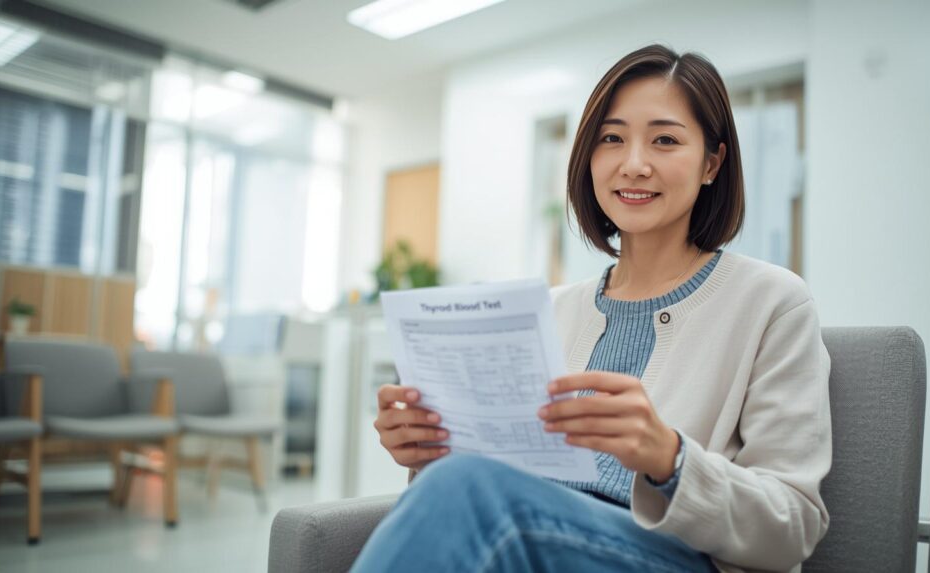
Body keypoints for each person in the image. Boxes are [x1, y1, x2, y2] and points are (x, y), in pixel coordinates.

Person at [354, 44, 832, 573]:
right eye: (611, 139)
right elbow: (494, 489)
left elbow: (793, 525)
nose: (634, 164)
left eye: (665, 140)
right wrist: (429, 450)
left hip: (670, 558)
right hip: (537, 544)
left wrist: (669, 458)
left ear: (711, 163)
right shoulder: (550, 310)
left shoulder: (772, 302)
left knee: (467, 488)